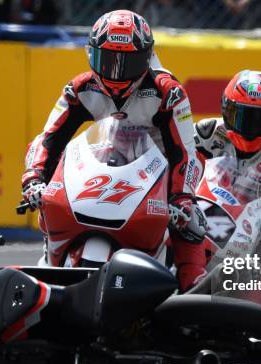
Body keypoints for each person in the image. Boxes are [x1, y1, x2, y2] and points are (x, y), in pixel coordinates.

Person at [22, 9, 205, 292]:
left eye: (127, 62)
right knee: (50, 205)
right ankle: (50, 268)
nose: (116, 72)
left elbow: (185, 153)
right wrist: (34, 178)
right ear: (91, 55)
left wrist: (182, 198)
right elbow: (48, 139)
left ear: (146, 58)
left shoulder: (168, 92)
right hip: (109, 165)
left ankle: (191, 304)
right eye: (108, 60)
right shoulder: (79, 88)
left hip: (158, 175)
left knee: (191, 226)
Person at [194, 70, 261, 244]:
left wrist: (259, 262)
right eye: (240, 116)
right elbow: (176, 166)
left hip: (251, 241)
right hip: (199, 219)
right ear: (225, 108)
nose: (250, 129)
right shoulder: (208, 133)